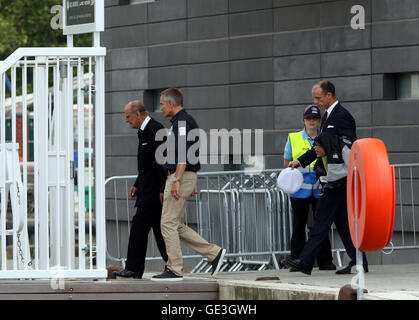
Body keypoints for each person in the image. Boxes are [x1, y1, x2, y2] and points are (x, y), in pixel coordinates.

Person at [283, 80, 368, 275]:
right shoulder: (328, 117)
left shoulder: (343, 116)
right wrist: (299, 161)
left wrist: (326, 151)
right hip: (334, 177)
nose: (316, 101)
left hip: (341, 177)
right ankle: (359, 261)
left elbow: (349, 146)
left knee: (320, 221)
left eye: (318, 98)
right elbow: (318, 148)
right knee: (344, 224)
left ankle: (304, 262)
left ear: (329, 95)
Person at [151, 88, 226, 281]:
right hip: (183, 176)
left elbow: (183, 154)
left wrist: (177, 180)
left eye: (162, 103)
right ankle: (214, 253)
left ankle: (175, 269)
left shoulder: (182, 123)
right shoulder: (182, 122)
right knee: (175, 224)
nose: (160, 108)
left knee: (167, 223)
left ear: (171, 103)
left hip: (179, 176)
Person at [113, 100, 168, 279]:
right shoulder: (142, 132)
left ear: (138, 114)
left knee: (139, 227)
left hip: (154, 190)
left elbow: (162, 162)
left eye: (128, 117)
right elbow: (146, 164)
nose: (126, 120)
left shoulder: (156, 130)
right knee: (159, 231)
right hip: (146, 187)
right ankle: (173, 266)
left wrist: (161, 188)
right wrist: (137, 183)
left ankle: (134, 268)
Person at [283, 104, 335, 271]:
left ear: (320, 121)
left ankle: (325, 261)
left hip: (321, 188)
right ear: (303, 120)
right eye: (309, 118)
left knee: (321, 225)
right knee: (299, 225)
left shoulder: (325, 137)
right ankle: (296, 260)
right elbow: (287, 164)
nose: (312, 121)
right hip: (299, 190)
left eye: (315, 118)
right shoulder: (293, 138)